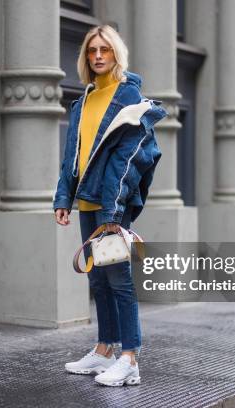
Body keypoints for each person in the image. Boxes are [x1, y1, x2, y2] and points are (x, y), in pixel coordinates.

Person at [53, 24, 167, 387]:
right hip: (87, 203)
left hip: (110, 205)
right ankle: (104, 351)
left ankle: (129, 357)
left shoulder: (129, 98)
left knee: (119, 281)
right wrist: (63, 197)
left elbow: (127, 160)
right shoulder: (84, 101)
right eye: (92, 50)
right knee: (99, 280)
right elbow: (73, 153)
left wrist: (113, 212)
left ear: (117, 54)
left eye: (105, 49)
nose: (98, 56)